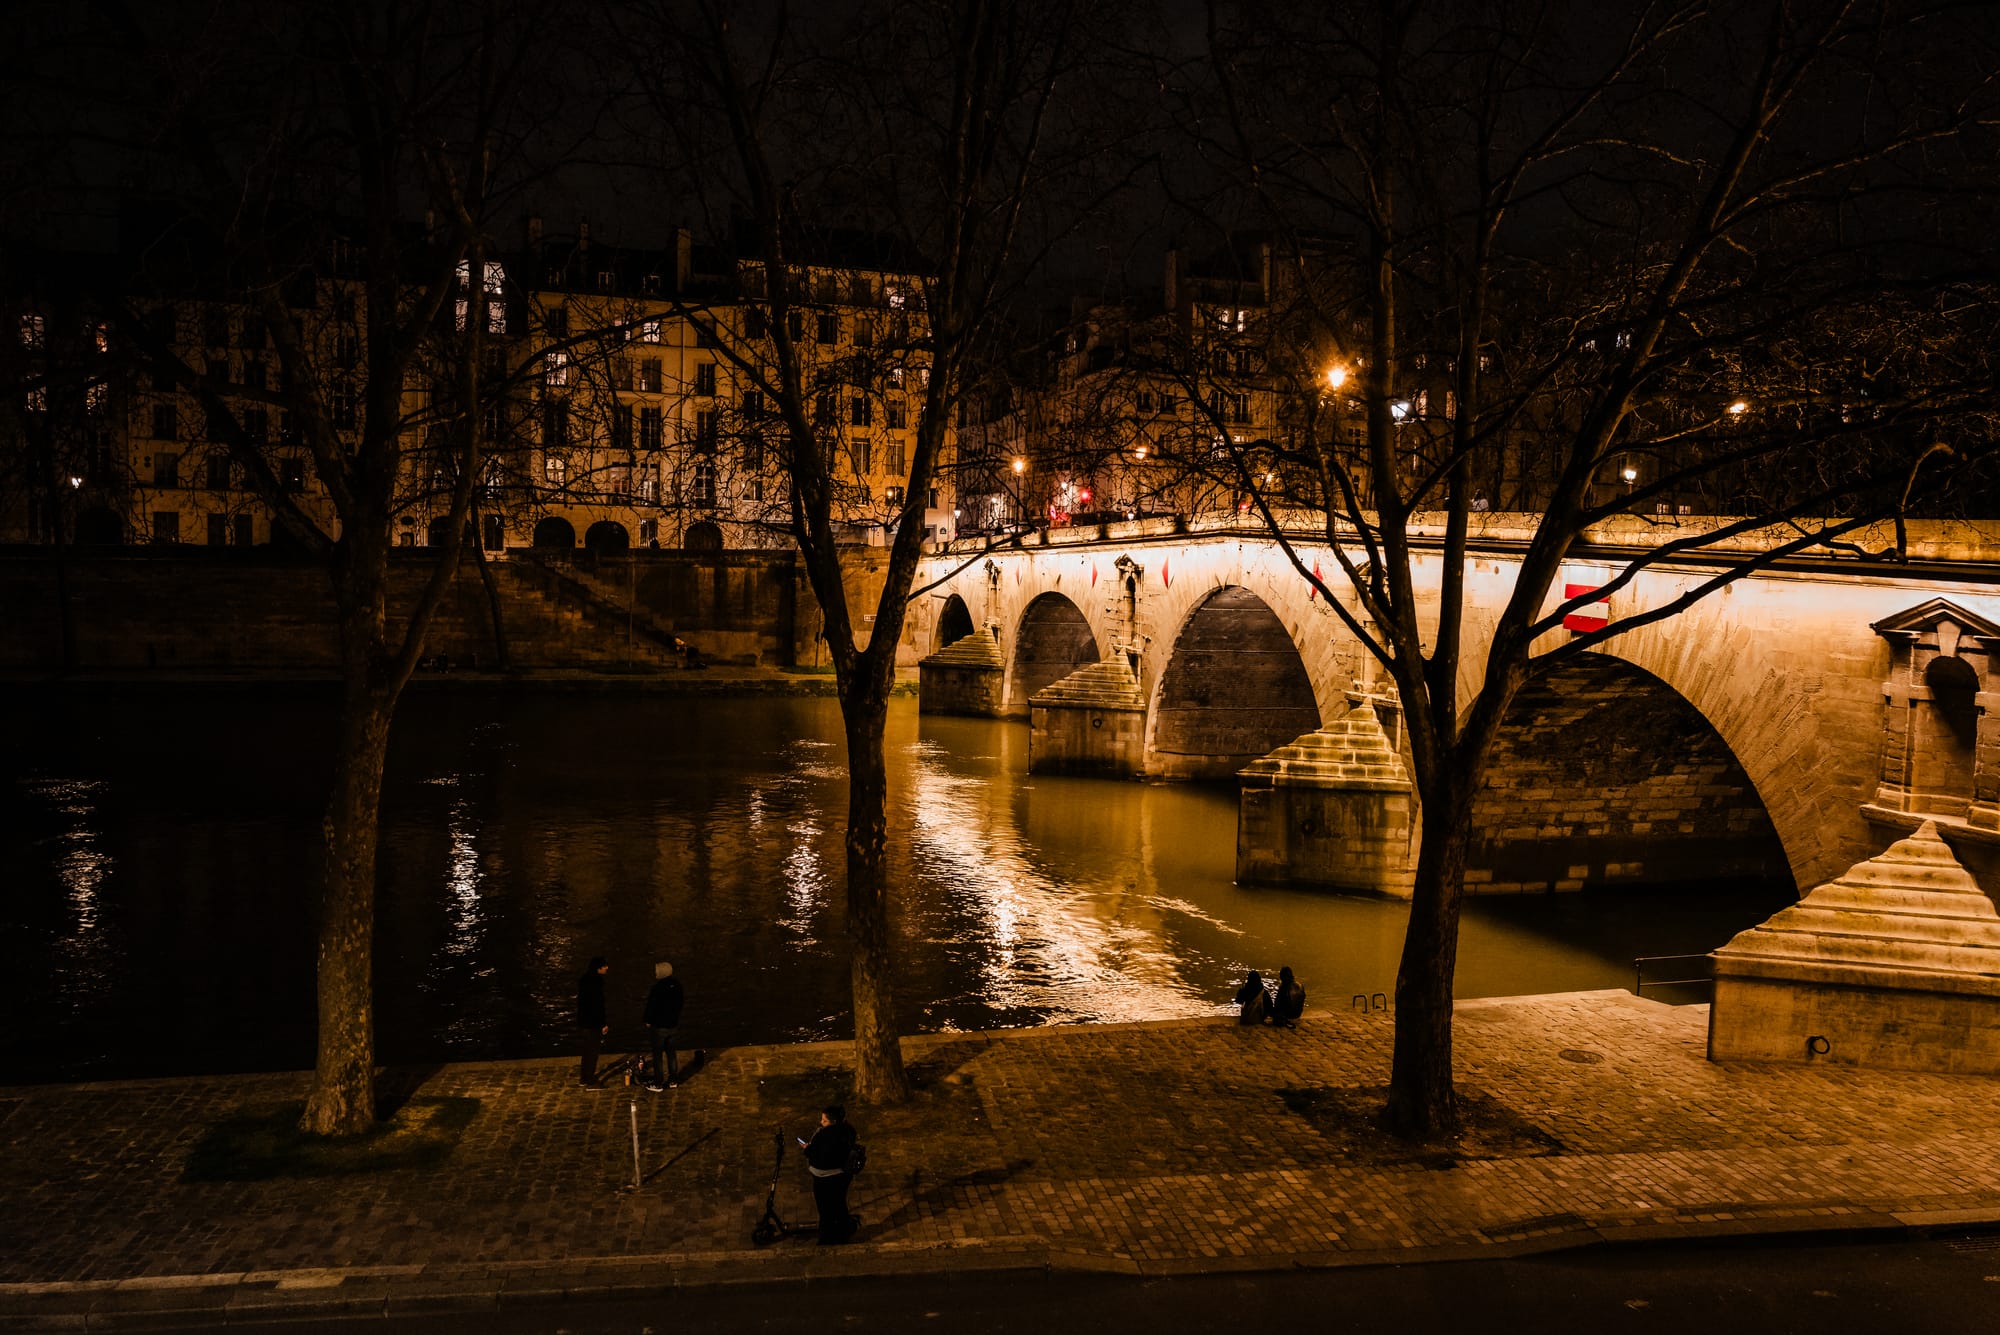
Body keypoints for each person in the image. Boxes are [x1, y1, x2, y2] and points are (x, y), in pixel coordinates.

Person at [801, 1105, 859, 1245]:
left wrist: (807, 1149)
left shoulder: (823, 1135)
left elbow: (816, 1155)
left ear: (833, 1121)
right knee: (839, 1203)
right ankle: (844, 1231)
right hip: (842, 1175)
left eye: (824, 1120)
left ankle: (827, 1238)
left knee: (825, 1208)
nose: (821, 1123)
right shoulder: (848, 1131)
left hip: (824, 1177)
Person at [642, 960, 685, 1091]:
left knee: (658, 1055)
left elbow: (651, 1007)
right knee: (671, 1053)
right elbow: (680, 1003)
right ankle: (673, 1080)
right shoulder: (677, 985)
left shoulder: (657, 988)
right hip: (673, 1025)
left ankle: (658, 1082)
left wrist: (648, 1020)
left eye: (657, 970)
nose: (655, 972)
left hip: (659, 1026)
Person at [576, 956, 609, 1087]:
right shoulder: (597, 982)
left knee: (586, 1051)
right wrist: (603, 1023)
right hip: (594, 1022)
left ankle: (584, 1077)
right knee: (593, 1051)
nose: (607, 968)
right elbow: (598, 1005)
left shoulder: (584, 979)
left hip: (584, 1021)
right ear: (598, 968)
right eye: (604, 966)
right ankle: (590, 1079)